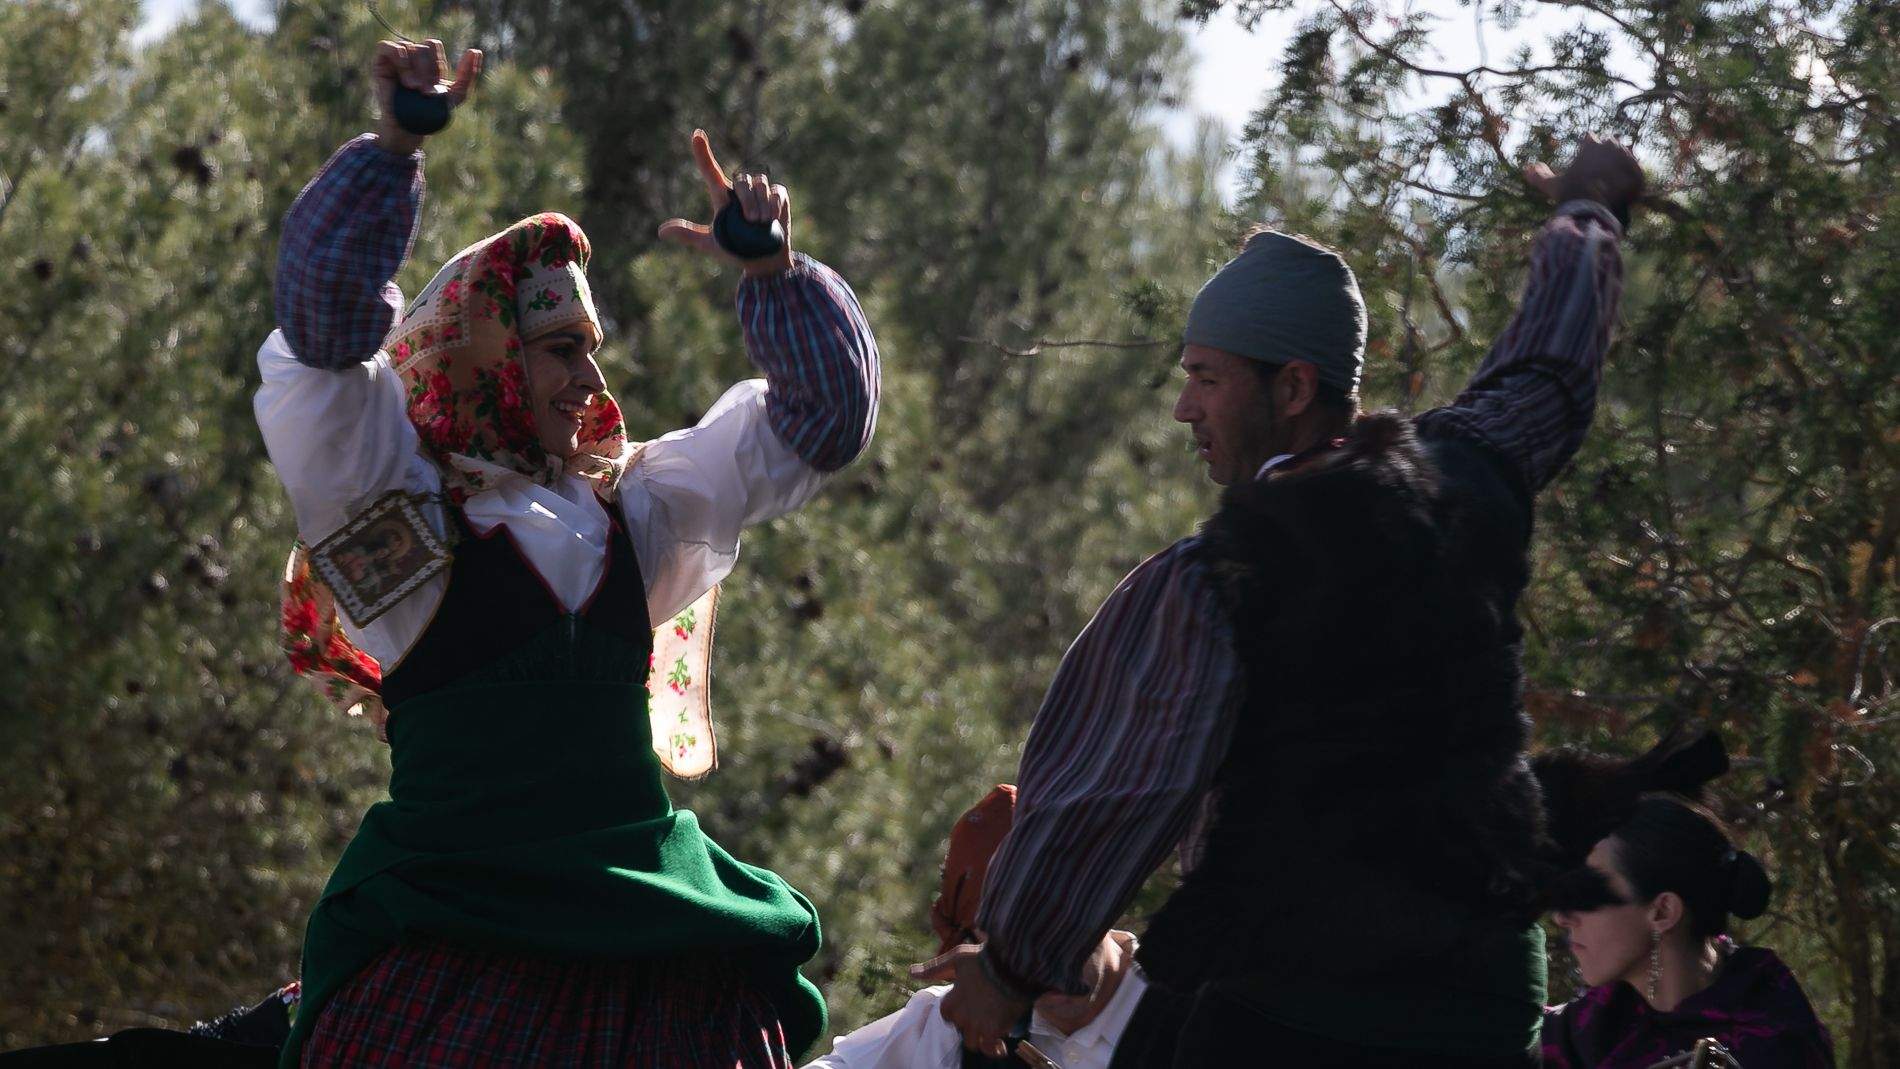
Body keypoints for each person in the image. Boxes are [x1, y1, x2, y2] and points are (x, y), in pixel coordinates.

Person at [922, 136, 1643, 1066]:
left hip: (1308, 1005)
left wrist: (1008, 968)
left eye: (1207, 376)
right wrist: (1589, 212)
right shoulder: (1465, 470)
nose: (1185, 407)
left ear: (1294, 386)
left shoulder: (1218, 579)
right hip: (1485, 995)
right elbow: (1548, 373)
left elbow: (1116, 793)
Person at [256, 38, 878, 1067]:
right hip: (461, 946)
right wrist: (395, 146)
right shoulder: (404, 521)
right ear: (488, 353)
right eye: (559, 348)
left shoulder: (637, 514)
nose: (591, 377)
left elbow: (823, 425)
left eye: (593, 347)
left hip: (652, 941)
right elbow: (321, 345)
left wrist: (773, 273)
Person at [805, 786, 1147, 1069]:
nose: (1040, 960)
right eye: (1007, 942)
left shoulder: (1187, 1004)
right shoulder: (953, 1029)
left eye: (1053, 923)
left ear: (1099, 898)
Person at [1543, 796, 1835, 1067]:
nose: (1562, 917)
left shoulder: (1773, 1046)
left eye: (1588, 896)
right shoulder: (1600, 1020)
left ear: (1663, 912)